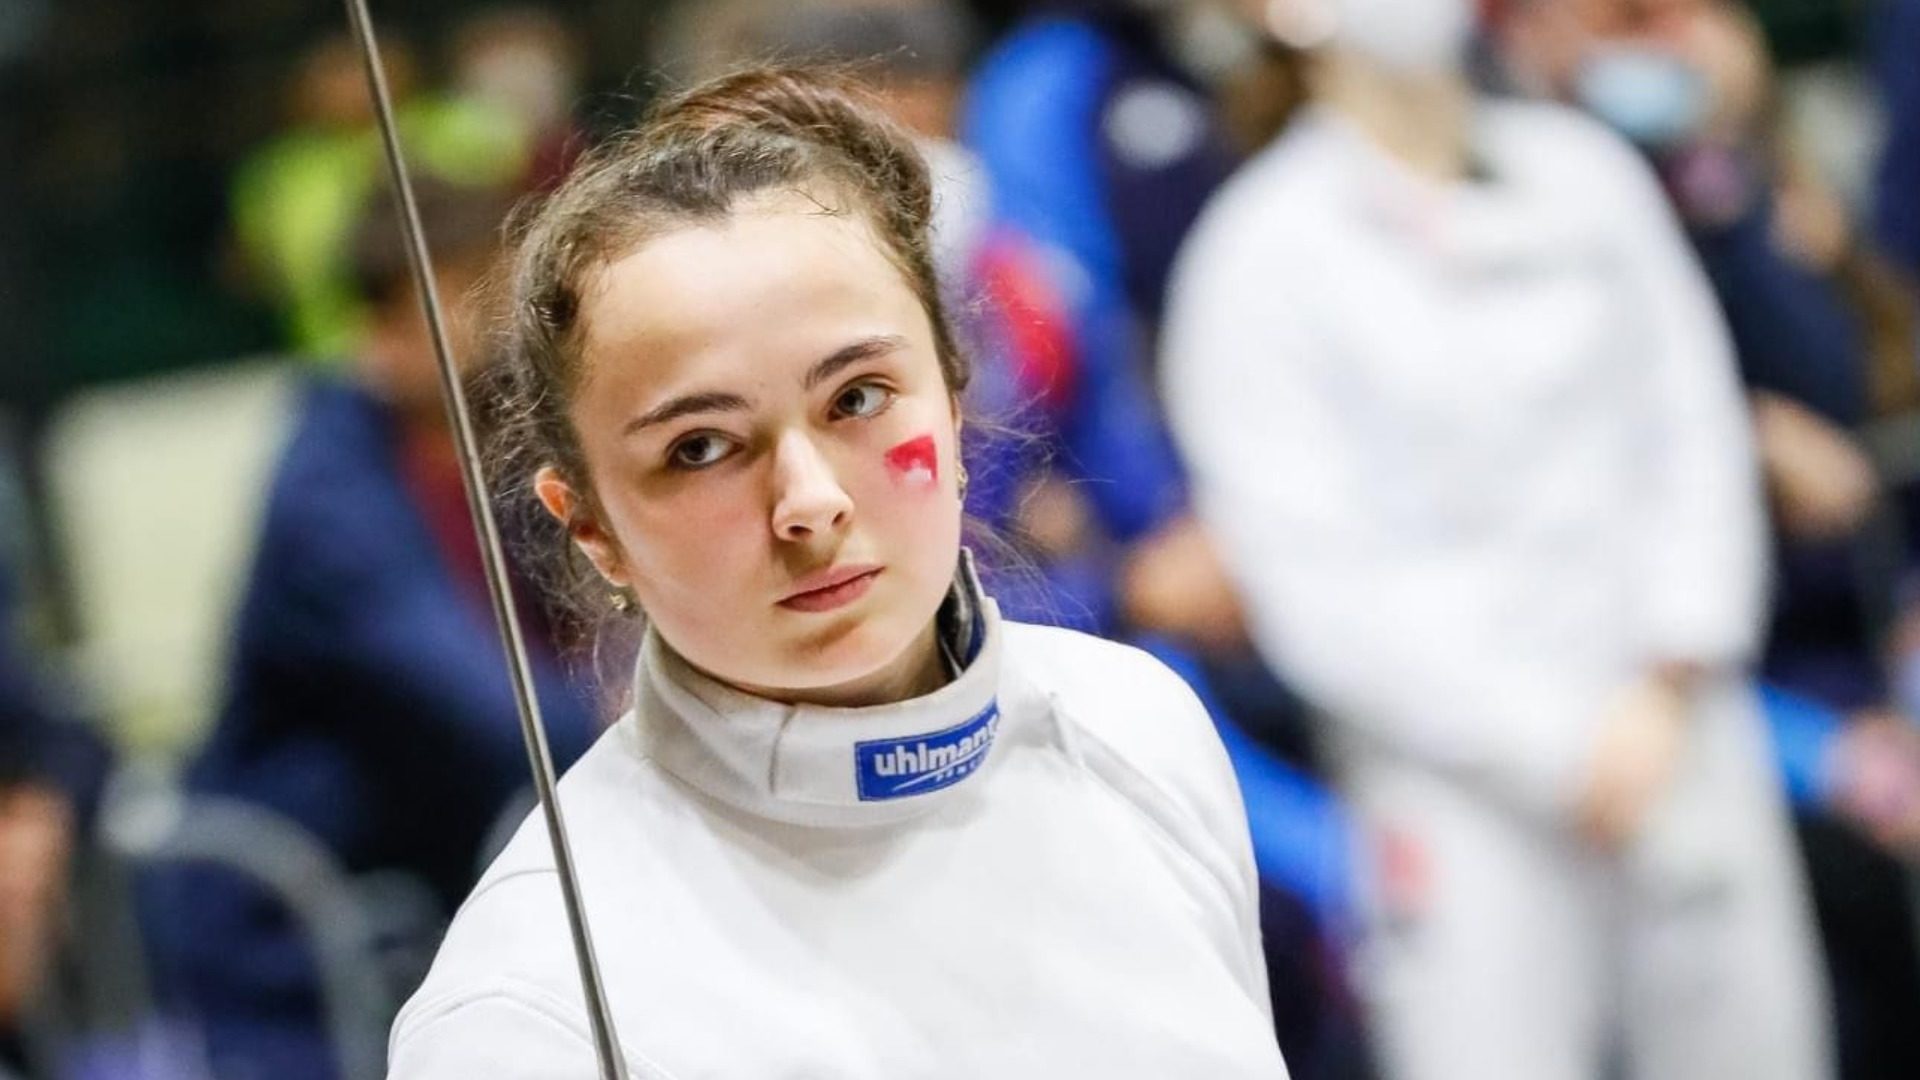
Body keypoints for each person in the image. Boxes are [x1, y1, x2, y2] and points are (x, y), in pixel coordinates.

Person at [386, 67, 1288, 1078]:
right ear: (590, 526)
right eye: (699, 448)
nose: (808, 500)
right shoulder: (530, 1003)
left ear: (952, 396)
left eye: (857, 398)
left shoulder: (1137, 730)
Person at [1163, 1, 1831, 1078]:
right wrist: (1554, 743)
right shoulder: (1261, 250)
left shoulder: (1589, 178)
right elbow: (1308, 574)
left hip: (1674, 725)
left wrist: (1665, 679)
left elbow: (1693, 430)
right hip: (1456, 778)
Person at [139, 179, 597, 1080]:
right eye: (473, 302)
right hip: (307, 930)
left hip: (443, 885)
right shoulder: (329, 489)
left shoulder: (491, 449)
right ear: (381, 331)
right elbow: (499, 706)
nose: (512, 334)